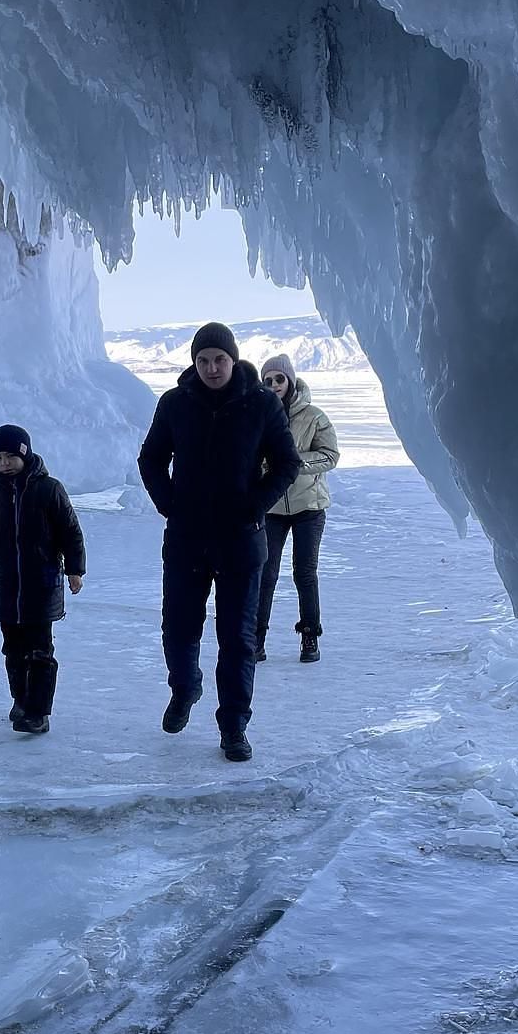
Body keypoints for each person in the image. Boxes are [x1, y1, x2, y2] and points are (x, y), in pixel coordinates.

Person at [137, 323, 302, 761]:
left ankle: (233, 726)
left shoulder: (261, 404)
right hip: (188, 538)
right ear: (194, 363)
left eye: (220, 359)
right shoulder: (175, 404)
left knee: (237, 639)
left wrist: (256, 505)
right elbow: (151, 459)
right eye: (204, 360)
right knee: (178, 628)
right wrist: (169, 503)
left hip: (241, 542)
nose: (212, 368)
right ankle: (186, 687)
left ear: (234, 360)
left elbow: (287, 462)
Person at [0, 424, 85, 734]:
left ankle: (38, 712)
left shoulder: (49, 489)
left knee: (39, 650)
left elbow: (70, 532)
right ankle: (21, 701)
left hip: (42, 585)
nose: (4, 463)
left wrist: (74, 569)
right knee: (13, 649)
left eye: (11, 456)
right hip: (8, 586)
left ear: (25, 453)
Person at [255, 353, 340, 663]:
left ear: (290, 380)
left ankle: (310, 637)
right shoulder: (258, 416)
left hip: (309, 505)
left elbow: (330, 455)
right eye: (268, 380)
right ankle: (256, 638)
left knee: (305, 573)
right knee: (266, 573)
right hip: (272, 506)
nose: (274, 384)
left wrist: (293, 463)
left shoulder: (314, 416)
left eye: (279, 378)